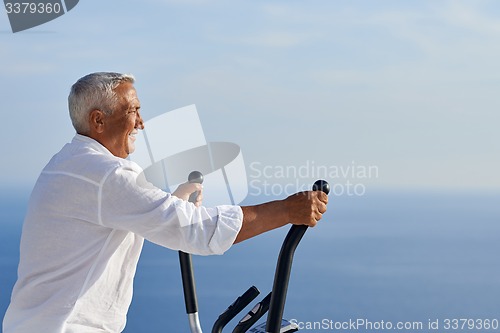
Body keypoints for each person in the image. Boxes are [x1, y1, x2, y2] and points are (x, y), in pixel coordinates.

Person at [3, 72, 328, 333]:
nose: (141, 123)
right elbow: (200, 232)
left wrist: (175, 201)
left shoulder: (65, 165)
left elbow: (115, 220)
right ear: (98, 121)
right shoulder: (108, 175)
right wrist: (288, 209)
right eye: (133, 111)